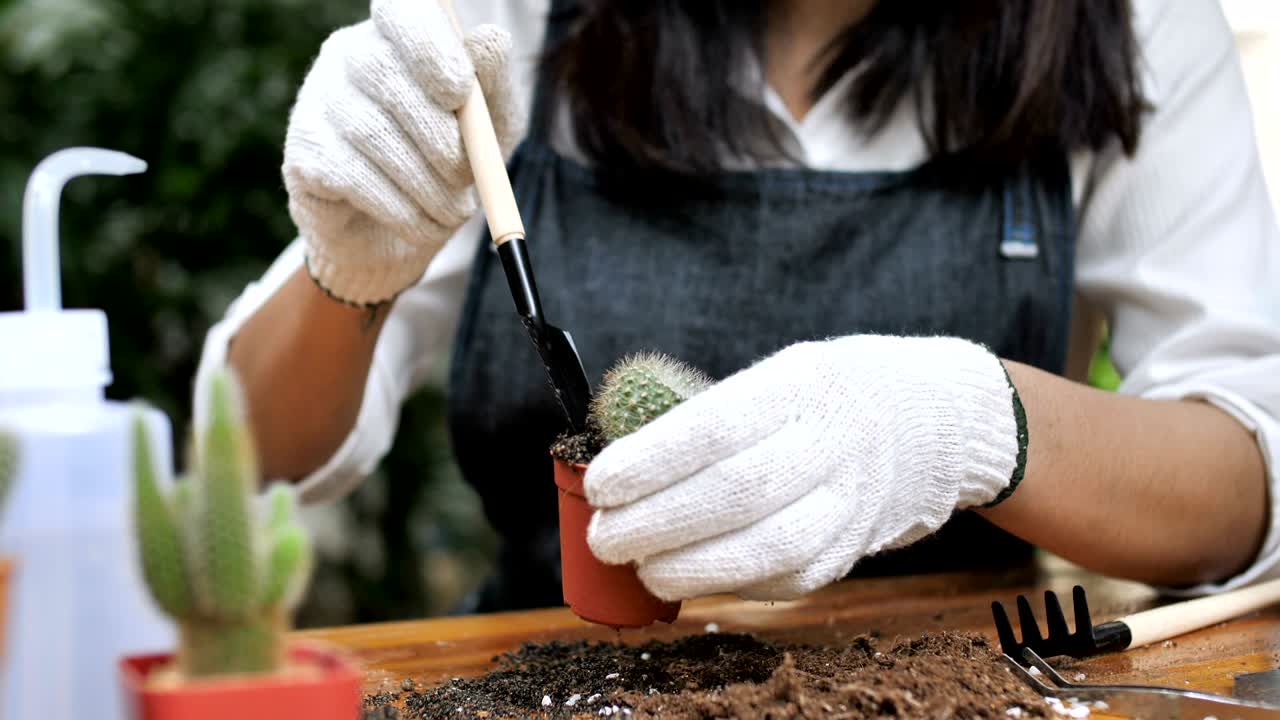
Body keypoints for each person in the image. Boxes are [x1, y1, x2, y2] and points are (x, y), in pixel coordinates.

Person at [197, 0, 1280, 613]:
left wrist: (967, 422)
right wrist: (350, 270)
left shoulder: (1130, 25)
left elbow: (1242, 484)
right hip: (553, 677)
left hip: (955, 685)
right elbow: (250, 456)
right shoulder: (509, 19)